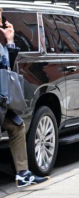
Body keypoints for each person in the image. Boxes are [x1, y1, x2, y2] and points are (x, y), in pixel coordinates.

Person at [0, 15, 49, 188]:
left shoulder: (1, 43)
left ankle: (23, 174)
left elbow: (7, 67)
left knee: (17, 127)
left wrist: (10, 41)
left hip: (2, 98)